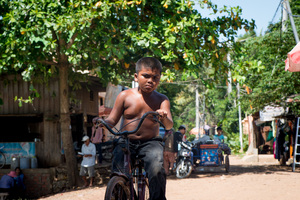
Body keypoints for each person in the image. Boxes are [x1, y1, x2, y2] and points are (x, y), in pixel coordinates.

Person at [101, 57, 173, 200]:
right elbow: (112, 120)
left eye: (155, 77)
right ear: (136, 76)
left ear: (159, 79)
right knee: (119, 172)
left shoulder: (161, 99)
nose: (150, 80)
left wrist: (163, 116)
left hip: (150, 143)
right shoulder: (124, 96)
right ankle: (121, 192)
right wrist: (102, 122)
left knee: (157, 170)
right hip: (126, 141)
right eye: (145, 76)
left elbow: (169, 124)